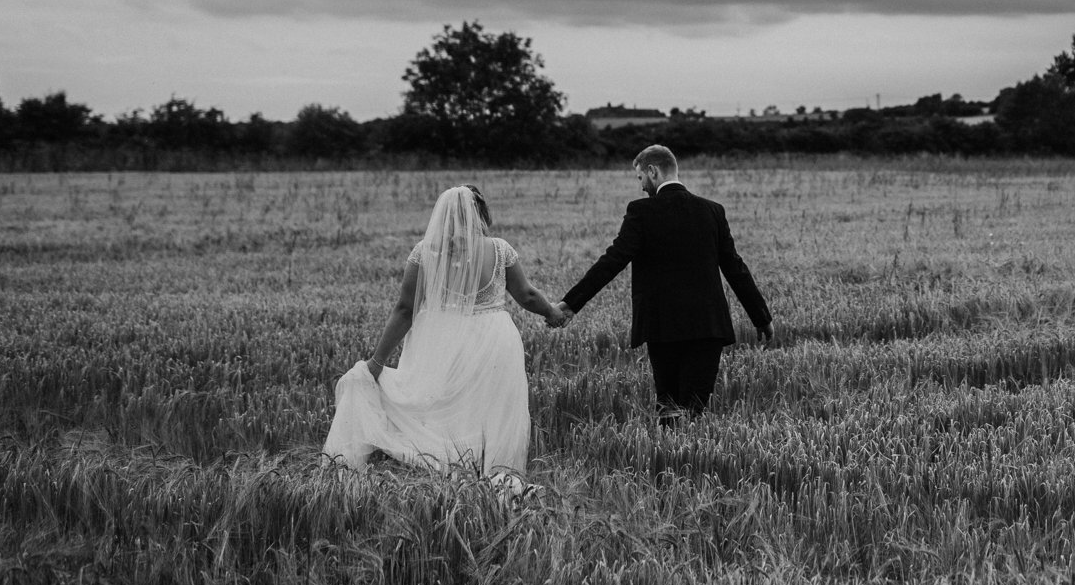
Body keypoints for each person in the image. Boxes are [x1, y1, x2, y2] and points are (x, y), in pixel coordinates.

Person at [323, 184, 562, 480]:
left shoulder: (425, 253)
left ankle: (447, 467)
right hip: (495, 340)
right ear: (480, 213)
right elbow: (526, 295)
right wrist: (553, 312)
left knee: (441, 403)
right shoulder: (499, 249)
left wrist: (377, 362)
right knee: (493, 409)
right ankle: (495, 475)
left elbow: (404, 310)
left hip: (441, 338)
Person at [553, 145, 772, 425]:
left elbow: (613, 261)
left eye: (640, 178)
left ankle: (670, 460)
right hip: (708, 326)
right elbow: (735, 268)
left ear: (652, 171)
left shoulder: (641, 211)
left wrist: (571, 304)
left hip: (662, 326)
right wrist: (761, 317)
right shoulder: (712, 211)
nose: (642, 186)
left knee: (668, 410)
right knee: (695, 412)